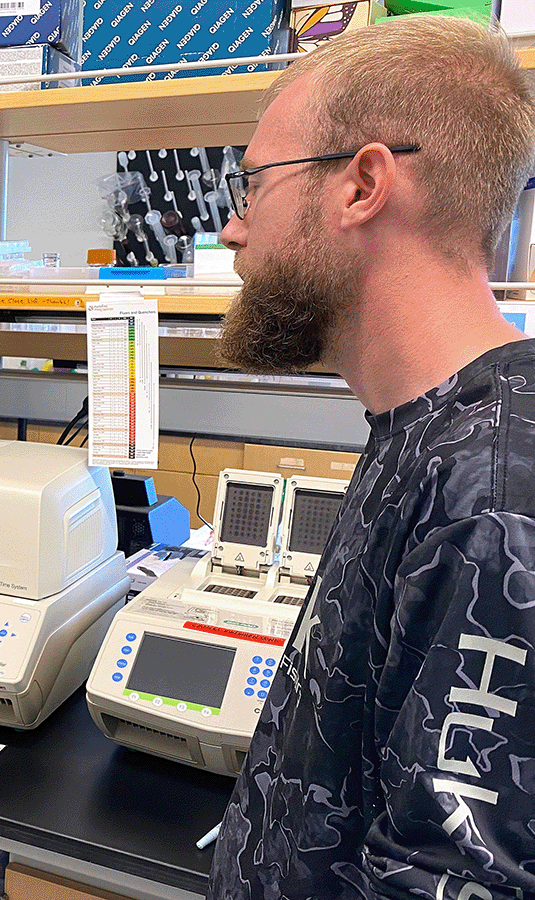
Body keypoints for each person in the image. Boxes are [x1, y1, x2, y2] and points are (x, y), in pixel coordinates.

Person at [207, 14, 535, 900]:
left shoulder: (493, 500)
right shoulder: (422, 429)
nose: (235, 233)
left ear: (361, 186)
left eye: (251, 188)